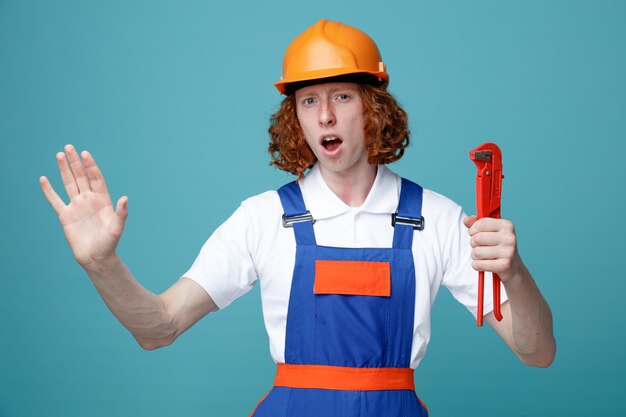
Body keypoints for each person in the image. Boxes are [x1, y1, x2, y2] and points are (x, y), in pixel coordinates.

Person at [40, 19, 555, 417]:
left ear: (373, 107)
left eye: (341, 97)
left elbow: (537, 353)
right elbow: (160, 327)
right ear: (297, 118)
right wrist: (101, 264)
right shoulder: (262, 219)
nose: (325, 115)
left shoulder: (438, 219)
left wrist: (514, 272)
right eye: (309, 100)